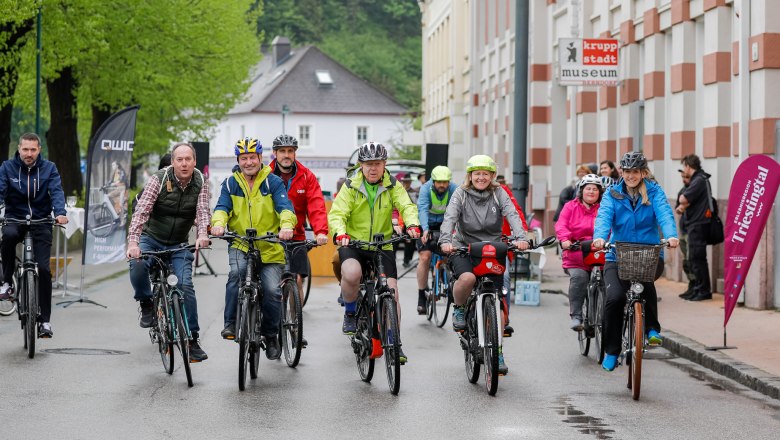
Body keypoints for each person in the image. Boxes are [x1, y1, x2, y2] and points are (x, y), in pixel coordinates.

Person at [328, 141, 420, 364]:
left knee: (392, 292)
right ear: (361, 165)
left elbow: (407, 206)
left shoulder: (393, 185)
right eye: (368, 164)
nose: (373, 168)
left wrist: (413, 225)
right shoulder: (351, 185)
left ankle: (393, 341)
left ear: (384, 164)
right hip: (354, 243)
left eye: (377, 164)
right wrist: (340, 233)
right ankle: (350, 312)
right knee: (350, 273)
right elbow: (337, 213)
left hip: (382, 245)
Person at [439, 155, 528, 375]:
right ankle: (459, 309)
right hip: (464, 248)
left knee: (497, 301)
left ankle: (497, 352)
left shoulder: (500, 193)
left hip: (492, 249)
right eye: (477, 173)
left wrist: (521, 237)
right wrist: (446, 241)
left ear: (492, 176)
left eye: (485, 174)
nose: (481, 177)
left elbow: (513, 215)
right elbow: (450, 217)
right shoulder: (460, 193)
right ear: (470, 176)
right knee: (467, 279)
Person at [211, 137, 296, 360]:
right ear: (238, 160)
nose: (248, 162)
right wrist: (218, 224)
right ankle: (230, 323)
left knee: (272, 290)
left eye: (252, 157)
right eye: (244, 158)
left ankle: (270, 335)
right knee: (236, 275)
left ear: (260, 158)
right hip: (240, 243)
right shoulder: (231, 183)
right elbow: (221, 207)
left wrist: (286, 226)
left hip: (270, 246)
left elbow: (285, 208)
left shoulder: (273, 182)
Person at [592, 152, 679, 371]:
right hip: (616, 254)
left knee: (644, 280)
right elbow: (603, 216)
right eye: (627, 171)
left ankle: (651, 329)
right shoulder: (613, 194)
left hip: (648, 252)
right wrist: (600, 238)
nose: (631, 176)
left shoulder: (654, 192)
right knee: (614, 298)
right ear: (621, 171)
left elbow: (665, 214)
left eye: (635, 172)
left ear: (643, 172)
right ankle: (612, 350)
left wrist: (671, 236)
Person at [127, 142, 210, 361]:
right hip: (151, 238)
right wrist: (133, 243)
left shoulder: (200, 181)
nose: (184, 164)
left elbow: (202, 212)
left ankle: (192, 340)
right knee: (137, 265)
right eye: (179, 159)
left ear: (194, 161)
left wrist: (202, 234)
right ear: (173, 161)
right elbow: (141, 212)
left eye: (188, 159)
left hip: (178, 243)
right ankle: (146, 304)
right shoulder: (159, 179)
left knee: (185, 286)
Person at [0, 133, 68, 337]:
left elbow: (56, 191)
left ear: (39, 150)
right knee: (9, 236)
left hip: (41, 220)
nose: (29, 154)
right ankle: (6, 283)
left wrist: (60, 213)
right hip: (15, 218)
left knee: (45, 270)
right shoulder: (7, 168)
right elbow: (0, 190)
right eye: (25, 149)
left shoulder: (49, 168)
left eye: (33, 150)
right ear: (19, 148)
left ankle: (45, 321)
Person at [268, 133, 329, 346]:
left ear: (295, 153)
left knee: (298, 280)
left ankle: (295, 324)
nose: (286, 155)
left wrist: (321, 231)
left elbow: (316, 204)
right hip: (269, 236)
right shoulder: (264, 174)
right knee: (269, 283)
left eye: (290, 151)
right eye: (282, 151)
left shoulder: (306, 176)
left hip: (297, 236)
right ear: (274, 154)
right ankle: (270, 324)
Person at [555, 174, 604, 330]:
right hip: (576, 255)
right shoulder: (570, 206)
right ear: (581, 191)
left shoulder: (604, 208)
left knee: (608, 282)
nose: (591, 192)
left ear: (600, 192)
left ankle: (606, 316)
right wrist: (565, 240)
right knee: (579, 278)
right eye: (588, 188)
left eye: (595, 189)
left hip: (600, 254)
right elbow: (561, 225)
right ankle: (576, 316)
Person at [415, 165, 458, 314]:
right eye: (439, 182)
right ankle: (421, 295)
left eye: (445, 182)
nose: (442, 185)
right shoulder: (426, 189)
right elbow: (422, 209)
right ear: (433, 181)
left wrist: (456, 230)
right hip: (427, 223)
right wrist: (425, 229)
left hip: (445, 224)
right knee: (425, 257)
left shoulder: (454, 189)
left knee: (449, 252)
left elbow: (458, 210)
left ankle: (443, 274)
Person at [676, 154, 712, 301]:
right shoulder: (699, 179)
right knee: (694, 259)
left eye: (685, 166)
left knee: (697, 259)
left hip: (698, 224)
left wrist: (683, 201)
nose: (684, 170)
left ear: (689, 167)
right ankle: (698, 288)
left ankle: (703, 290)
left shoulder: (698, 180)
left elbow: (683, 199)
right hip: (695, 224)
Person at [675, 169, 696, 299]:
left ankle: (695, 285)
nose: (684, 179)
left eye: (686, 177)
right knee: (686, 261)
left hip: (691, 229)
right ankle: (691, 284)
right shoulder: (683, 191)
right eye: (682, 177)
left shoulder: (694, 190)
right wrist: (680, 207)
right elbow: (678, 206)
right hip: (683, 229)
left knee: (691, 260)